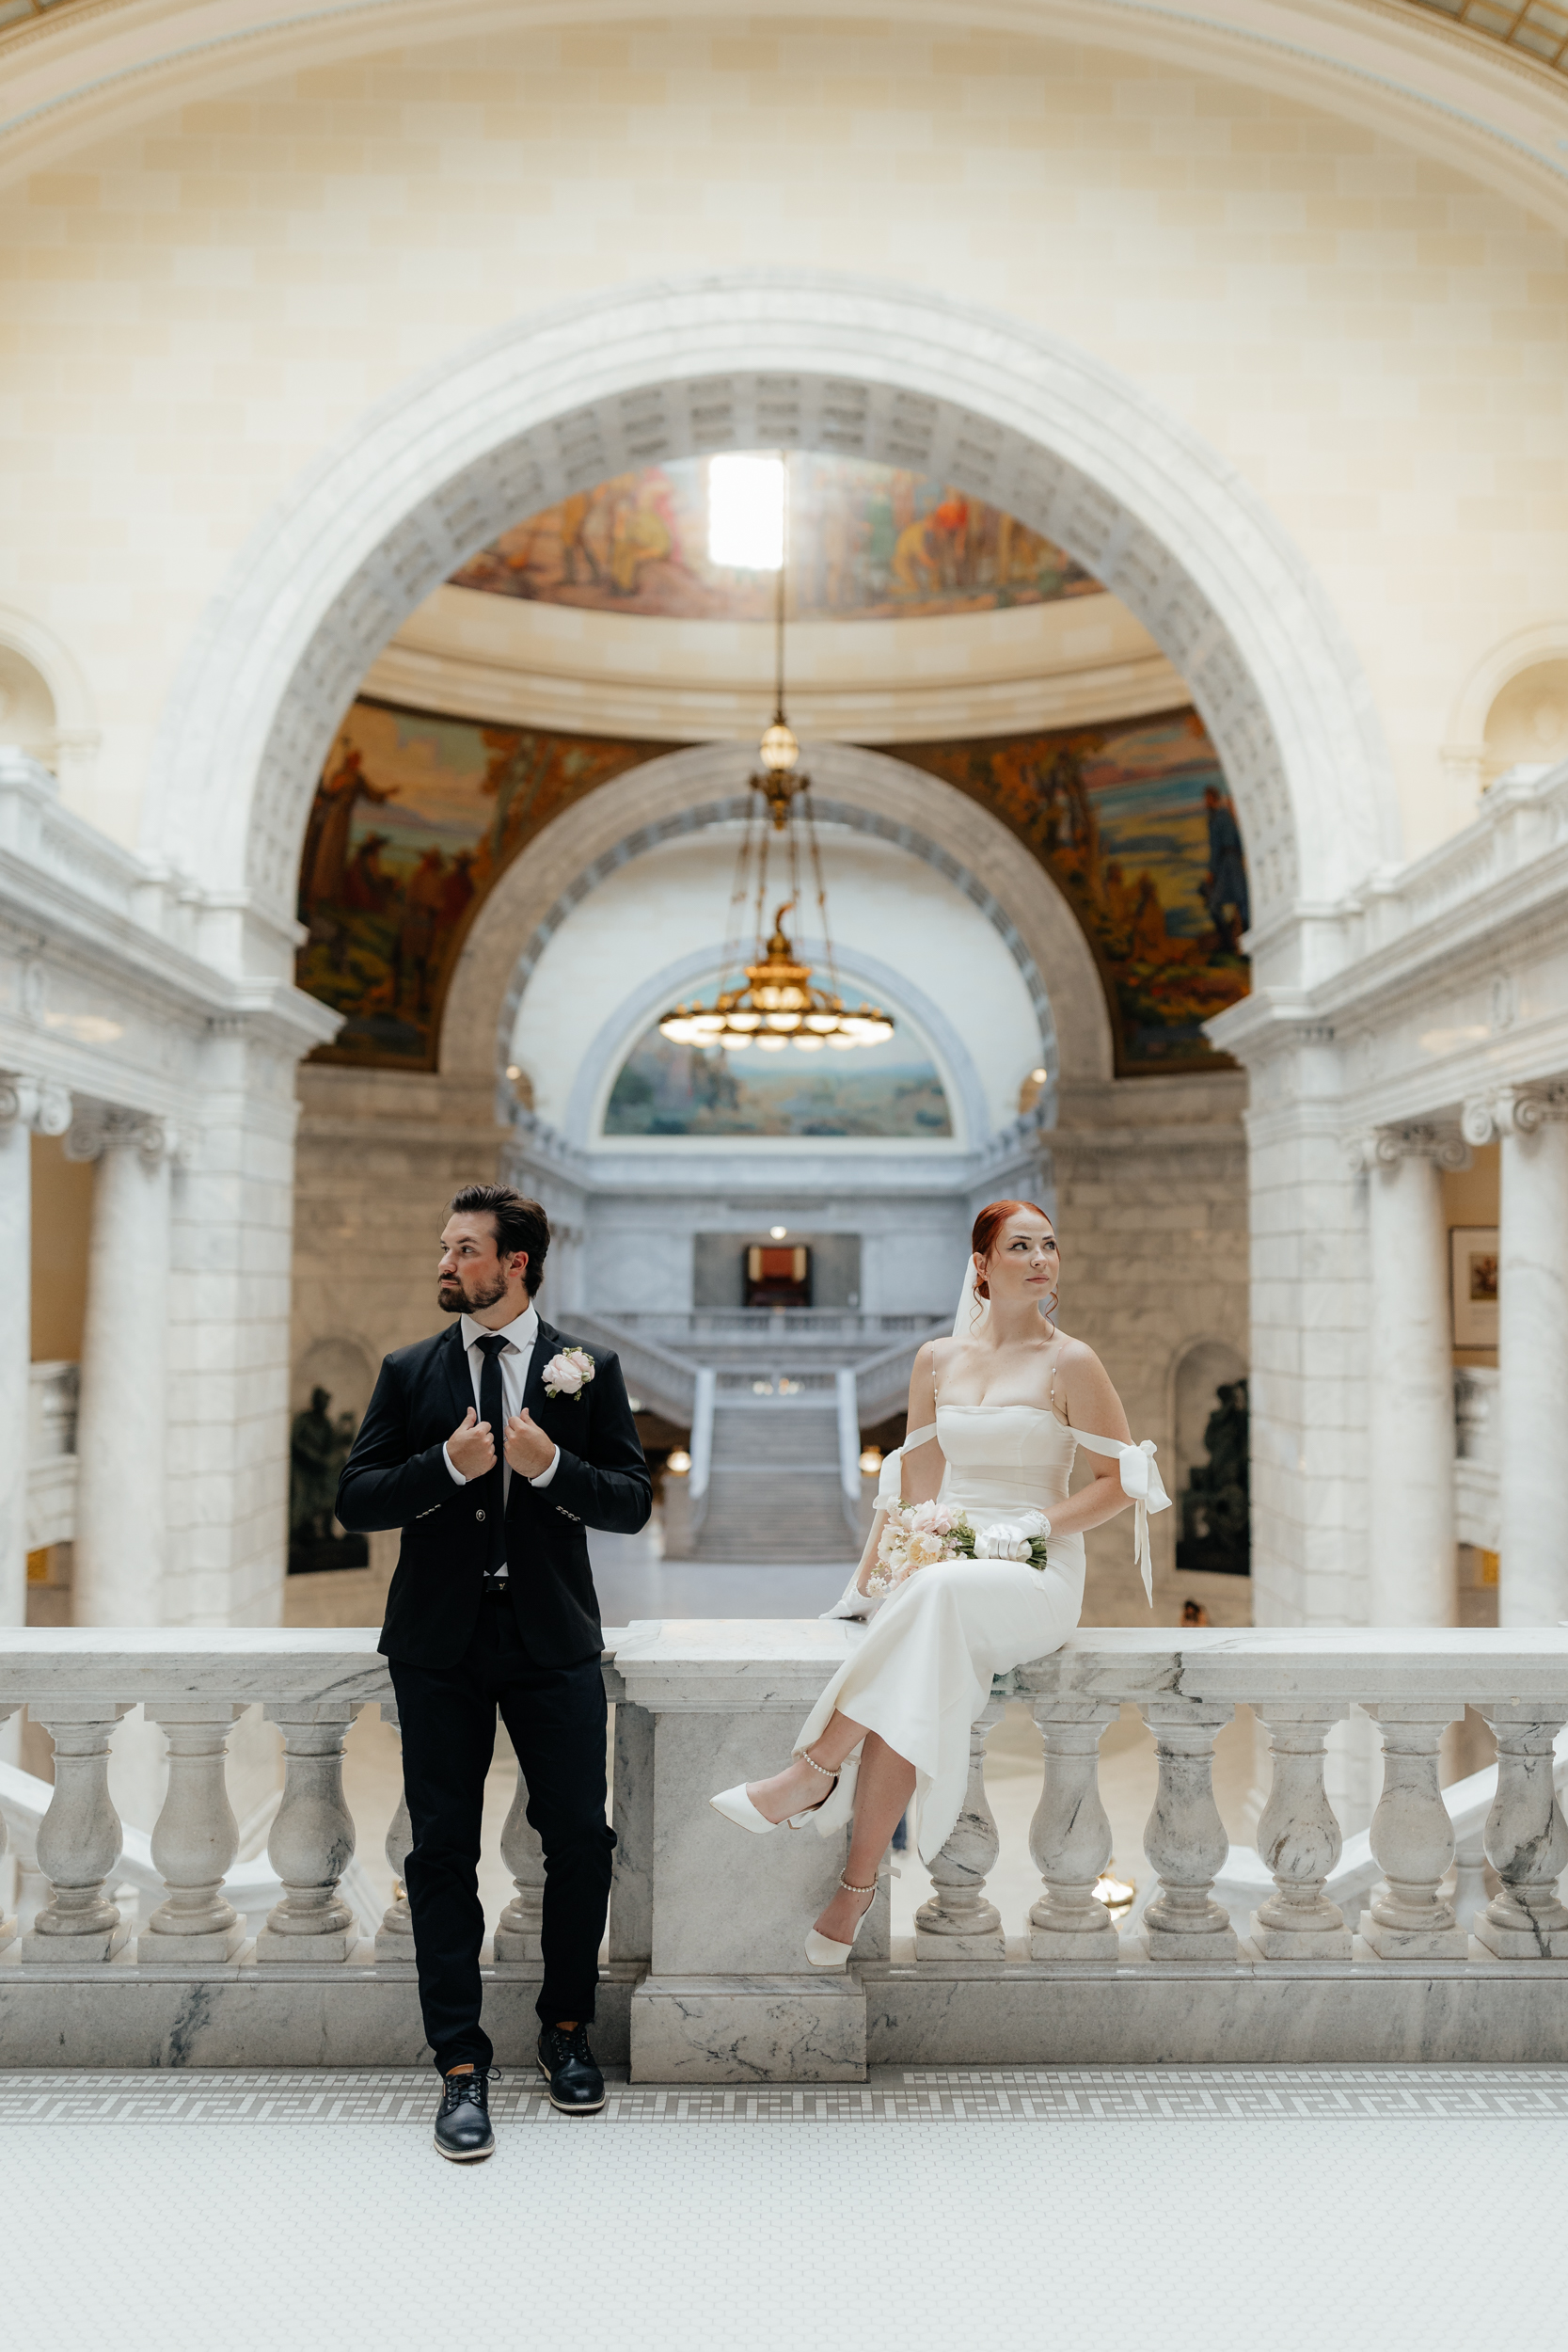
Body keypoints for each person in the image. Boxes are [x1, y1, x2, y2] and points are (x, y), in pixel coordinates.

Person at [709, 1199, 1168, 1963]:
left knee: (934, 1597)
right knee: (919, 1635)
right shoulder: (934, 1361)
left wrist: (1034, 1527)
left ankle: (811, 1772)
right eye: (1020, 1246)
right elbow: (914, 1491)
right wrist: (866, 1583)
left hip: (1032, 1568)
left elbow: (1120, 1481)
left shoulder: (1072, 1362)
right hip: (947, 1565)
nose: (1041, 1259)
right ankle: (854, 1892)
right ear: (982, 1266)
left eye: (1049, 1245)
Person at [336, 1184, 651, 2158]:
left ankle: (565, 2034)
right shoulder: (407, 1371)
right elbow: (355, 1499)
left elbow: (632, 1501)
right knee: (438, 1852)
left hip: (552, 1642)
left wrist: (551, 1466)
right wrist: (446, 1467)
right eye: (444, 1246)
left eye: (463, 1248)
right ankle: (459, 2066)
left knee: (581, 1845)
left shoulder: (583, 1370)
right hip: (439, 1647)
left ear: (514, 1263)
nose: (445, 1261)